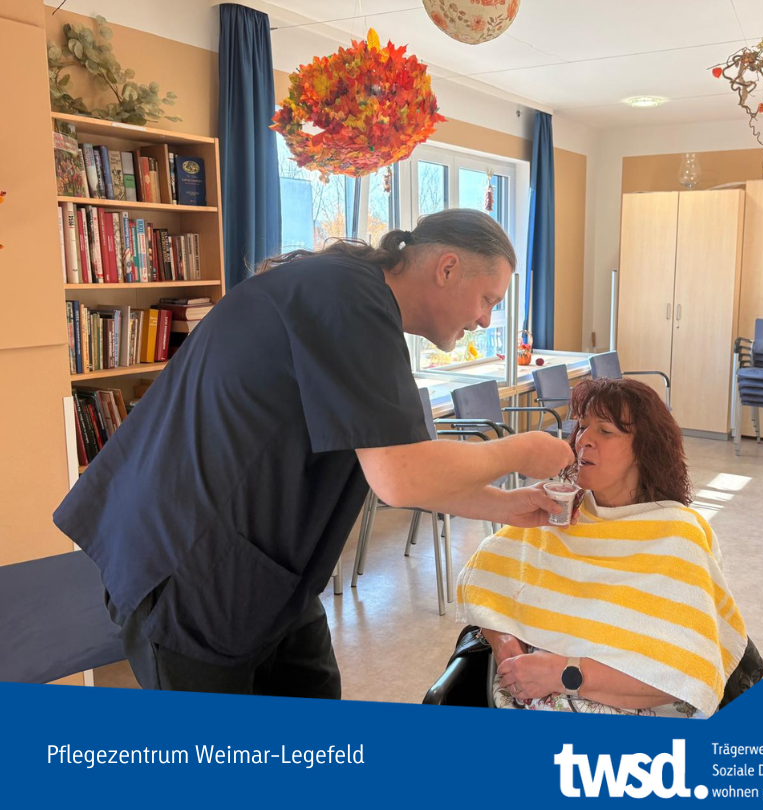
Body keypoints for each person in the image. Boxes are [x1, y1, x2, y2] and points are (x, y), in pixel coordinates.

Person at [53, 209, 574, 696]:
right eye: (487, 300)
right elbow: (402, 477)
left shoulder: (354, 299)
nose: (485, 320)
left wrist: (509, 506)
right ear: (448, 268)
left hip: (267, 572)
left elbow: (403, 468)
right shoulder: (347, 300)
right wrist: (520, 450)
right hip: (188, 569)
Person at [456, 378, 749, 718]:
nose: (584, 440)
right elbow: (486, 580)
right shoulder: (556, 513)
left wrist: (563, 673)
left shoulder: (678, 534)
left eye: (606, 431)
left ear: (645, 449)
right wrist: (504, 641)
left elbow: (687, 673)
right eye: (581, 426)